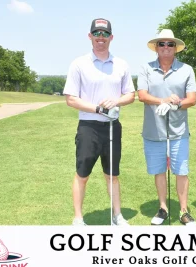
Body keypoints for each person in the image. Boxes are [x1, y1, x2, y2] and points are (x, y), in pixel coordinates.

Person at [63, 18, 135, 226]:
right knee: (82, 174)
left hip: (113, 127)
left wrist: (117, 101)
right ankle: (78, 218)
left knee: (112, 175)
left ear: (111, 37)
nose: (100, 38)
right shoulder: (79, 64)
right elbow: (71, 99)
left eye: (105, 34)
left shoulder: (121, 64)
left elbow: (130, 95)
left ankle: (118, 216)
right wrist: (98, 108)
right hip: (89, 127)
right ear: (90, 36)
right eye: (97, 34)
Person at [137, 29, 196, 226]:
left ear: (175, 48)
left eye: (170, 44)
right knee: (159, 170)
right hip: (153, 131)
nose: (165, 47)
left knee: (181, 170)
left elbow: (192, 99)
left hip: (178, 131)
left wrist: (175, 104)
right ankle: (163, 208)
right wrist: (162, 100)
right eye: (162, 44)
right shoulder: (146, 68)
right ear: (156, 47)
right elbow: (142, 96)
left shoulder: (186, 69)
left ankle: (183, 211)